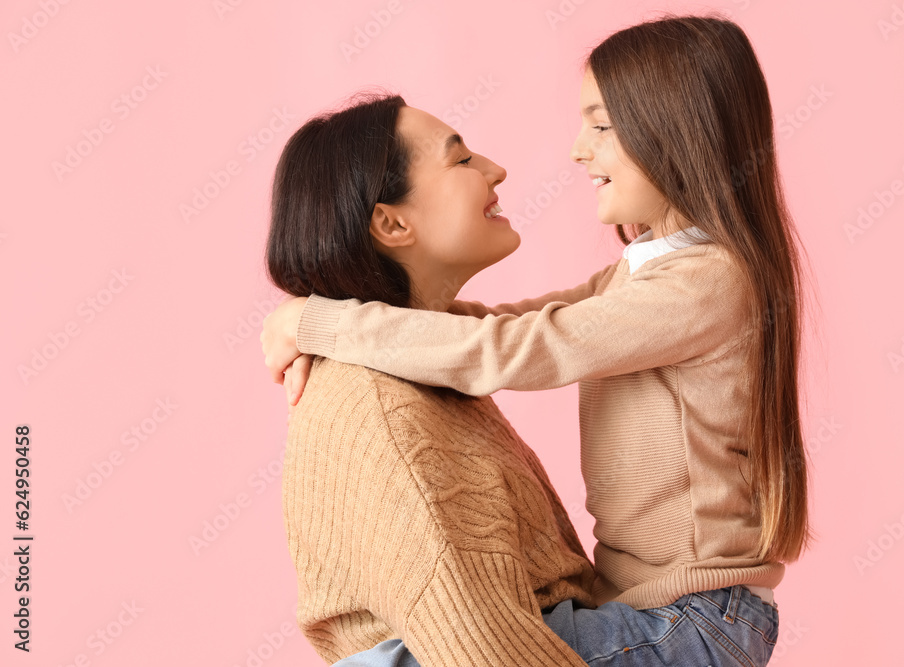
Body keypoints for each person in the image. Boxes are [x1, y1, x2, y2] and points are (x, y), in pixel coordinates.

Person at [264, 14, 811, 667]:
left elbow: (518, 346)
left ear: (677, 131)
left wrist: (320, 322)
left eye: (601, 126)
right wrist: (309, 315)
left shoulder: (706, 282)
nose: (579, 150)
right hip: (653, 611)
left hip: (696, 621)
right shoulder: (643, 271)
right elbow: (502, 325)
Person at [266, 92, 599, 666]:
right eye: (462, 160)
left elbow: (572, 319)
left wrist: (310, 318)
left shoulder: (424, 351)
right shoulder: (384, 410)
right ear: (392, 222)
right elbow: (481, 653)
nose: (496, 170)